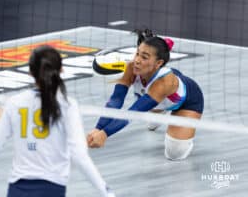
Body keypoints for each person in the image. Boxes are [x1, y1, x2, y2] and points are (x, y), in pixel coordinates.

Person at [0, 45, 115, 197]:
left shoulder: (14, 103)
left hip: (17, 191)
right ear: (61, 70)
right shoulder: (67, 105)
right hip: (51, 190)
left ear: (30, 72)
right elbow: (79, 156)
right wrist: (106, 191)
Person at [87, 29, 204, 161]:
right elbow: (116, 100)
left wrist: (105, 134)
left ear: (159, 63)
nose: (137, 60)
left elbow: (134, 112)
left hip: (188, 102)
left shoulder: (164, 82)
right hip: (159, 97)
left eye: (144, 57)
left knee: (174, 154)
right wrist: (98, 128)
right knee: (152, 106)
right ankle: (160, 109)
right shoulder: (132, 68)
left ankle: (164, 110)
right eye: (137, 54)